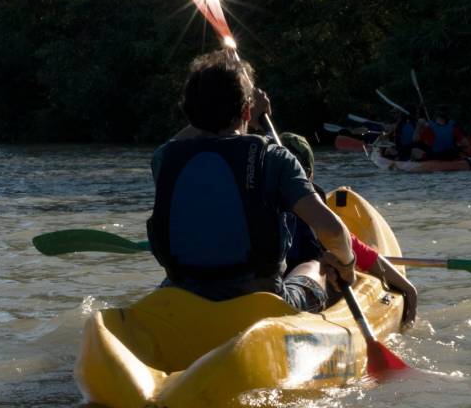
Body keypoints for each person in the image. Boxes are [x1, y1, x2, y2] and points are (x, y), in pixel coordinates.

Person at [146, 50, 355, 313]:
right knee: (315, 265)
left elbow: (183, 136)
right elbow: (333, 231)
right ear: (246, 110)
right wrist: (347, 267)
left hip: (183, 294)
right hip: (259, 299)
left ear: (190, 110)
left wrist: (230, 106)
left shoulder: (164, 158)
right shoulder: (273, 156)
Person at [280, 132, 418, 324]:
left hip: (272, 295)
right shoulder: (321, 219)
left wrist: (409, 289)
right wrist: (408, 290)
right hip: (295, 301)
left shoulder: (253, 209)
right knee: (326, 271)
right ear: (309, 176)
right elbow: (361, 253)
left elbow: (360, 251)